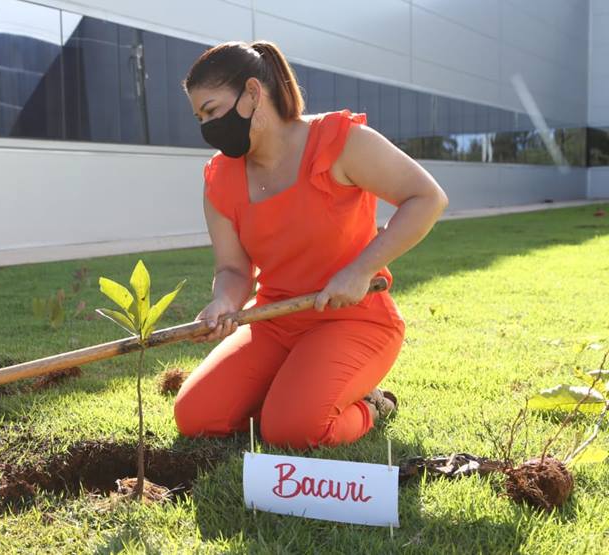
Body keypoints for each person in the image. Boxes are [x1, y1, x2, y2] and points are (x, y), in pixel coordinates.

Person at [174, 40, 448, 450]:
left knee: (294, 431)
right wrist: (224, 302)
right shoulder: (219, 178)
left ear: (252, 92)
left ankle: (372, 406)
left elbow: (427, 198)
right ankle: (292, 394)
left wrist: (360, 270)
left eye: (212, 111)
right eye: (200, 118)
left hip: (352, 319)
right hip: (273, 320)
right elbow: (232, 269)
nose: (208, 127)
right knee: (196, 416)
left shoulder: (339, 141)